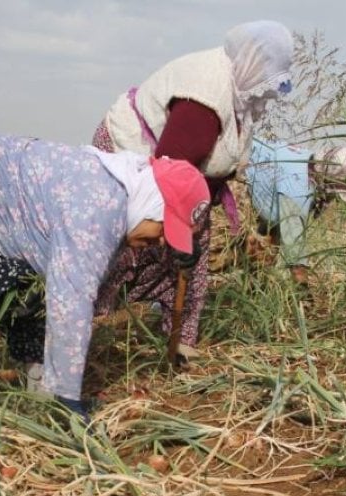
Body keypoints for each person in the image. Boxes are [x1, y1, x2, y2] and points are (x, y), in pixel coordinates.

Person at [0, 127, 210, 423]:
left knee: (26, 291)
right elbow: (72, 300)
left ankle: (40, 391)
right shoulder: (99, 206)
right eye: (163, 229)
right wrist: (68, 400)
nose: (158, 241)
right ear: (152, 204)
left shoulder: (121, 197)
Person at [91, 20, 294, 361]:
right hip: (139, 164)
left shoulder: (238, 89)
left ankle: (178, 345)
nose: (266, 88)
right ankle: (67, 333)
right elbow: (170, 173)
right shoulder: (205, 96)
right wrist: (180, 230)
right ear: (250, 61)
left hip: (182, 176)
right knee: (125, 251)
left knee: (191, 259)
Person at [246, 139, 346, 282]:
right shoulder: (297, 189)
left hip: (241, 157)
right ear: (326, 181)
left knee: (263, 248)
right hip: (232, 171)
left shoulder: (305, 163)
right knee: (227, 249)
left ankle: (253, 284)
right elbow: (295, 246)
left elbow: (273, 221)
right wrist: (303, 289)